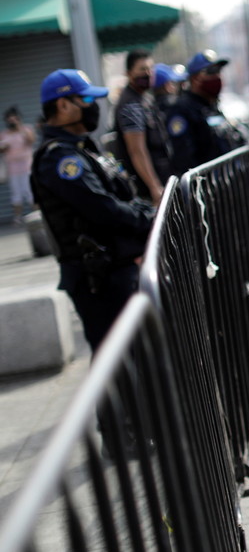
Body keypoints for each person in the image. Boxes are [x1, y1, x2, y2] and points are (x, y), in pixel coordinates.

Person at [31, 69, 154, 354]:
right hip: (98, 280)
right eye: (85, 99)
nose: (92, 107)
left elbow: (123, 194)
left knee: (138, 362)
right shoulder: (60, 160)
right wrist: (149, 219)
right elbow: (104, 210)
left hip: (116, 271)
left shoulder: (83, 148)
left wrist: (145, 212)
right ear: (62, 106)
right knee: (118, 367)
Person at [165, 50, 246, 176]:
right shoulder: (182, 110)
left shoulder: (211, 106)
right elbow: (183, 158)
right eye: (211, 72)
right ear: (195, 78)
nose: (217, 76)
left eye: (218, 71)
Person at [113, 50, 171, 204]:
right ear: (128, 73)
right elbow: (137, 150)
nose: (148, 73)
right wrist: (154, 187)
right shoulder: (130, 104)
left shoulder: (145, 98)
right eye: (142, 69)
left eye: (150, 69)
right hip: (147, 192)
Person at [0, 106, 37, 225]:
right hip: (12, 169)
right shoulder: (4, 134)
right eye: (9, 119)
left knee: (30, 192)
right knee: (16, 195)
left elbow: (31, 140)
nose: (12, 121)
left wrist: (19, 128)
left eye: (14, 118)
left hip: (27, 167)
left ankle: (37, 214)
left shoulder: (26, 129)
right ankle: (17, 217)